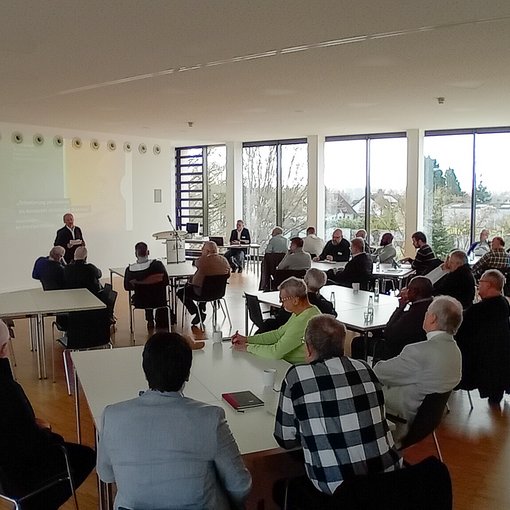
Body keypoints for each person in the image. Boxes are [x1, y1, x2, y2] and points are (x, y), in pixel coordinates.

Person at [97, 332, 251, 510]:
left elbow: (106, 475)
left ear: (145, 369)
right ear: (187, 374)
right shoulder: (210, 418)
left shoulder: (112, 415)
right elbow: (239, 484)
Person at [273, 315, 402, 509]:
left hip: (340, 492)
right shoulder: (365, 368)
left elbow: (285, 439)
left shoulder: (297, 375)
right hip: (390, 480)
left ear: (308, 347)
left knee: (280, 487)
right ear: (342, 344)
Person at [0, 320, 95, 510]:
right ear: (3, 349)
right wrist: (48, 433)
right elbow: (30, 442)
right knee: (85, 457)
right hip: (18, 472)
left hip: (4, 472)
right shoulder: (8, 390)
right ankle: (35, 504)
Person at [373, 296, 463, 443]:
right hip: (426, 423)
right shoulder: (455, 351)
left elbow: (379, 373)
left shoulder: (418, 352)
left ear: (432, 318)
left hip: (401, 416)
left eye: (427, 312)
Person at [232, 277, 321, 363]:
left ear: (295, 300)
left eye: (282, 300)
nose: (281, 303)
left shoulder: (304, 321)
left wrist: (247, 347)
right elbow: (277, 335)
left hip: (294, 366)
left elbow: (276, 353)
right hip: (284, 362)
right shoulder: (304, 312)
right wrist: (247, 339)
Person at [456, 269, 510, 405]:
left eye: (480, 282)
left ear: (489, 285)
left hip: (479, 359)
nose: (478, 285)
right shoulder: (503, 303)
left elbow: (461, 331)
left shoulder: (479, 310)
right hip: (499, 359)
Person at [177, 240, 230, 328]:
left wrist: (204, 256)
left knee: (181, 292)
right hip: (219, 293)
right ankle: (201, 307)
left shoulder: (203, 261)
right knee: (206, 286)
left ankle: (198, 313)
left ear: (207, 251)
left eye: (203, 249)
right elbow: (228, 275)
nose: (201, 250)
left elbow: (196, 262)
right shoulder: (224, 260)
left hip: (202, 293)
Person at [124, 242, 170, 330]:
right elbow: (166, 281)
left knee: (145, 294)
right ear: (148, 252)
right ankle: (162, 321)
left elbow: (127, 287)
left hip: (141, 302)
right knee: (156, 292)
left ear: (135, 254)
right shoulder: (157, 265)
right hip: (159, 301)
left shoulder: (130, 270)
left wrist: (138, 282)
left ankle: (149, 320)